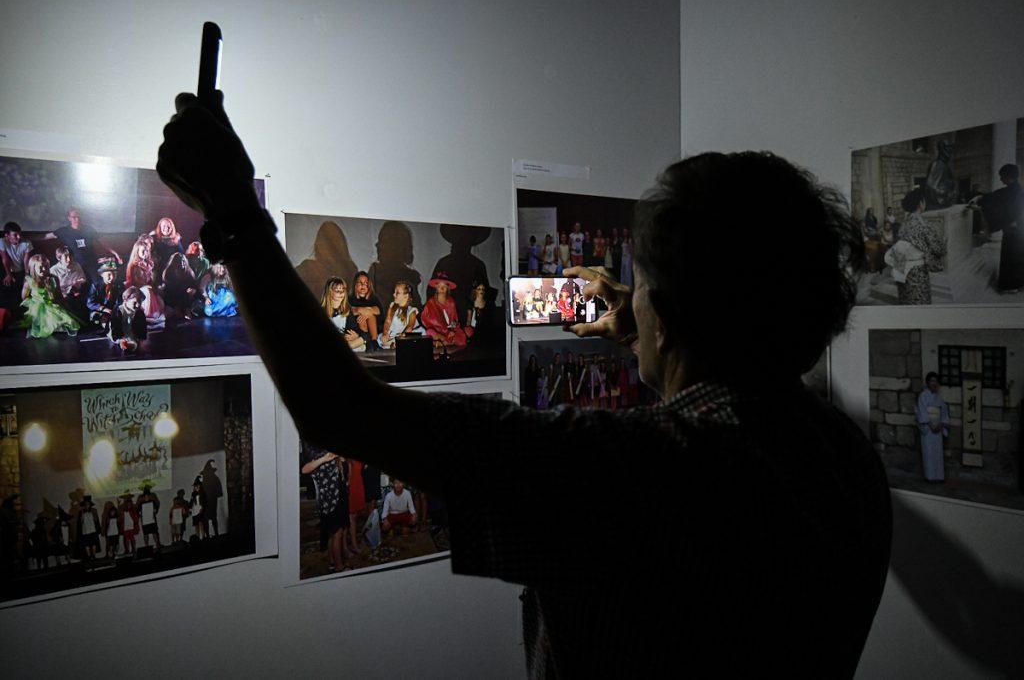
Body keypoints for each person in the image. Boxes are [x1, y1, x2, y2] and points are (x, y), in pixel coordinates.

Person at [158, 94, 891, 676]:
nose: (631, 298)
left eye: (643, 288)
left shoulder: (636, 470)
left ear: (668, 314)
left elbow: (341, 410)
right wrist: (649, 333)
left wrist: (235, 215)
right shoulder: (844, 456)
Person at [886, 188, 945, 304]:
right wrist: (944, 242)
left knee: (906, 302)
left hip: (901, 271)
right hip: (917, 272)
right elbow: (939, 249)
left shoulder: (903, 225)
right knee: (919, 303)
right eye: (924, 201)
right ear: (920, 204)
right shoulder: (924, 225)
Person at [973, 163, 1024, 293]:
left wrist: (981, 205)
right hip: (1017, 229)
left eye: (1002, 176)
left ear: (1008, 176)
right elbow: (997, 195)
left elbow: (1004, 204)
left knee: (1011, 257)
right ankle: (1019, 284)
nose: (1001, 179)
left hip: (1014, 230)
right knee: (1017, 257)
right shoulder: (1015, 189)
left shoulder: (1014, 191)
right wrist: (981, 197)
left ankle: (1011, 286)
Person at [301, 443, 351, 571]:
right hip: (330, 502)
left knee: (333, 534)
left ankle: (332, 562)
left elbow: (344, 476)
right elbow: (304, 469)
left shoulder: (339, 456)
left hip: (341, 499)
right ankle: (339, 567)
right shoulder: (324, 455)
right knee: (337, 534)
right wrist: (324, 458)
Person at [44, 207, 122, 282]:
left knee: (99, 282)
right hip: (75, 267)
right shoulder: (64, 231)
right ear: (69, 218)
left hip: (92, 264)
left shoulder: (89, 229)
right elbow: (46, 236)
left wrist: (115, 253)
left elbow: (102, 241)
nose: (77, 219)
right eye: (74, 217)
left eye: (79, 217)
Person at [19, 254, 80, 339]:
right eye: (40, 267)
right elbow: (24, 297)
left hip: (52, 304)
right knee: (45, 322)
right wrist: (34, 304)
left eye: (46, 267)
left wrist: (65, 307)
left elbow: (59, 295)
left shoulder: (53, 278)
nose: (44, 269)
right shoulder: (29, 281)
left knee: (67, 321)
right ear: (33, 268)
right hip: (38, 307)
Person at [915, 372, 949, 482]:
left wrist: (941, 424)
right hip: (928, 429)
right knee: (928, 452)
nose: (934, 383)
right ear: (928, 383)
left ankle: (939, 476)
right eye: (932, 381)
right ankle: (930, 477)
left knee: (937, 453)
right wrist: (931, 425)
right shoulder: (923, 396)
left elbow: (944, 412)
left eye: (936, 381)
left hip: (938, 428)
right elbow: (922, 412)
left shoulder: (939, 397)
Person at [420, 272, 467, 347]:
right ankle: (446, 342)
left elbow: (454, 320)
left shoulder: (451, 302)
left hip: (450, 331)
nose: (442, 289)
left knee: (462, 337)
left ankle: (445, 343)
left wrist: (451, 330)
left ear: (448, 288)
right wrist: (441, 330)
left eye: (444, 286)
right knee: (429, 332)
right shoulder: (431, 302)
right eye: (439, 286)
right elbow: (426, 320)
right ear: (436, 288)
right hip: (438, 331)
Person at [320, 276, 366, 351]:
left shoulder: (347, 310)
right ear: (329, 292)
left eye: (343, 290)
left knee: (364, 337)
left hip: (348, 342)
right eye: (337, 291)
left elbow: (355, 329)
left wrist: (356, 335)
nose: (341, 293)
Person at [1, 221, 33, 316]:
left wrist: (26, 275)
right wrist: (8, 274)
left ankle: (23, 313)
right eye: (15, 235)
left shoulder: (26, 243)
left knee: (24, 290)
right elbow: (5, 259)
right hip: (7, 271)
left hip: (22, 271)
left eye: (19, 234)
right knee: (7, 289)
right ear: (7, 235)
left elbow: (26, 261)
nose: (19, 237)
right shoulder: (2, 242)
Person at [86, 258, 124, 330]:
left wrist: (116, 309)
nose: (112, 277)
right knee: (98, 317)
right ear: (102, 274)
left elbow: (120, 300)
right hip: (99, 310)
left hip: (113, 310)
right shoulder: (96, 286)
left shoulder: (119, 285)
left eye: (114, 274)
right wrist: (103, 309)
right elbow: (90, 303)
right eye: (109, 275)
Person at [108, 286, 148, 352]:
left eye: (140, 302)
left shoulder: (139, 312)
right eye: (135, 302)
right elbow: (114, 329)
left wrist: (140, 339)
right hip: (120, 336)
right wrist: (120, 340)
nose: (138, 305)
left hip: (132, 336)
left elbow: (142, 328)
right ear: (126, 300)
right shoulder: (118, 311)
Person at [350, 271, 383, 345]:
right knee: (361, 317)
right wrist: (359, 310)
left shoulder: (373, 298)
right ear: (355, 285)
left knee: (370, 315)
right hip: (357, 328)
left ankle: (374, 342)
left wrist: (367, 312)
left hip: (374, 328)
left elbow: (379, 310)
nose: (363, 285)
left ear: (369, 285)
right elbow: (348, 311)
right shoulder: (350, 299)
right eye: (360, 282)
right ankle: (366, 341)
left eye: (366, 283)